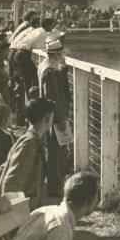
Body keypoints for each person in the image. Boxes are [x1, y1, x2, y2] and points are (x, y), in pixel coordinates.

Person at [0, 98, 56, 211]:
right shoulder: (29, 143)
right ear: (47, 118)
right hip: (16, 215)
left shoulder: (32, 140)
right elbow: (11, 184)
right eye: (52, 117)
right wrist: (15, 217)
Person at [38, 38, 71, 201]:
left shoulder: (44, 66)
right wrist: (61, 118)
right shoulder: (51, 71)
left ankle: (55, 186)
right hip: (55, 117)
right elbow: (54, 97)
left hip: (50, 116)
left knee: (54, 151)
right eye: (61, 54)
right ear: (57, 54)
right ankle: (55, 188)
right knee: (56, 153)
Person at [0, 101, 14, 173]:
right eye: (10, 115)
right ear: (4, 119)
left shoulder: (9, 132)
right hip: (3, 170)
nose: (13, 117)